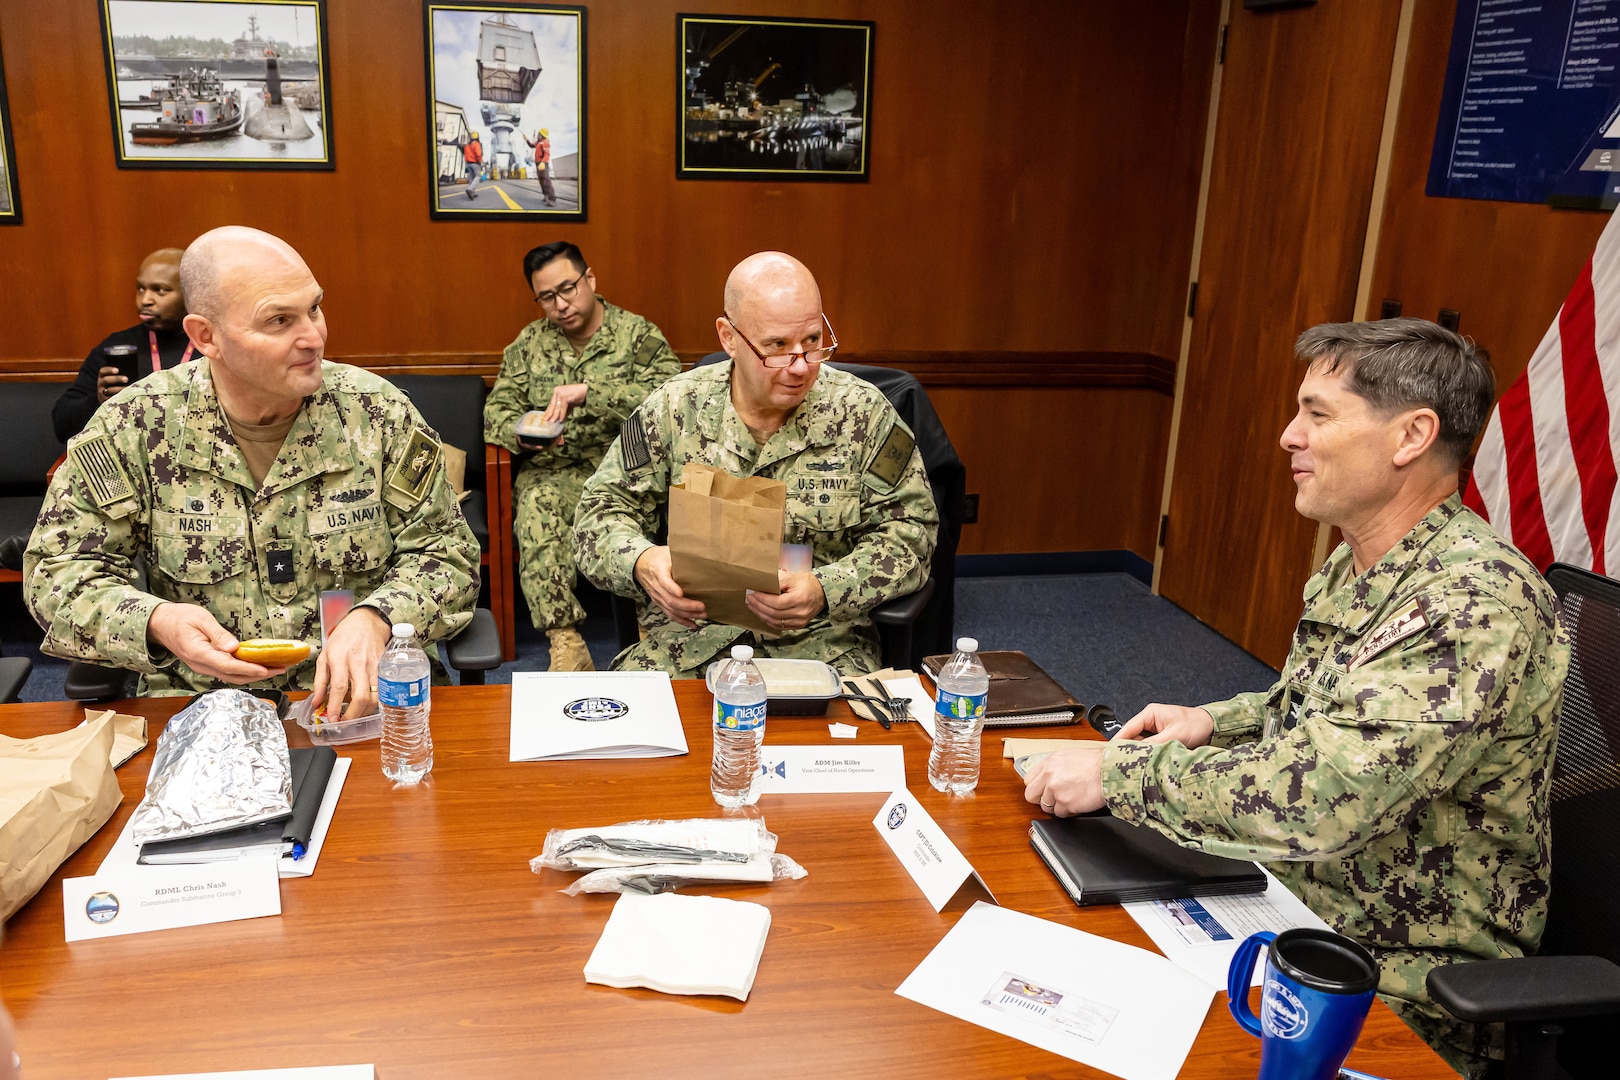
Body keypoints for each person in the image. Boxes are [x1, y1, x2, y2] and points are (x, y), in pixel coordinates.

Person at [1023, 318, 1569, 1078]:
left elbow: (1321, 799)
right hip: (1296, 904)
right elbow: (1317, 714)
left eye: (1318, 414)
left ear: (1411, 436)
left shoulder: (1473, 603)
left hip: (1397, 982)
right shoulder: (1366, 562)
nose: (1289, 435)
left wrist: (1119, 776)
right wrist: (1211, 722)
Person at [25, 226, 480, 720]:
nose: (314, 338)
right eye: (279, 320)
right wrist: (157, 620)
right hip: (201, 707)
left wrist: (378, 618)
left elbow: (448, 555)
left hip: (368, 701)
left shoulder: (376, 413)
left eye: (314, 309)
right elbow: (56, 575)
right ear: (206, 336)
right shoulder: (134, 425)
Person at [574, 251, 939, 678]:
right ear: (729, 337)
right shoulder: (675, 408)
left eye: (813, 341)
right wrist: (642, 562)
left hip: (823, 646)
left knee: (845, 724)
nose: (800, 367)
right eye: (777, 347)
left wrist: (826, 589)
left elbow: (912, 532)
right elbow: (597, 513)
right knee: (627, 719)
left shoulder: (864, 414)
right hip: (687, 642)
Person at [483, 242, 679, 671]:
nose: (560, 305)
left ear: (589, 279)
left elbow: (670, 398)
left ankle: (650, 632)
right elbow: (496, 412)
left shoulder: (637, 335)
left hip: (627, 471)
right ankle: (566, 643)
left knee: (636, 514)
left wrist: (592, 393)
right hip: (556, 470)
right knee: (537, 502)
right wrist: (525, 434)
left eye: (567, 289)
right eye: (546, 297)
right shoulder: (530, 344)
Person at [53, 248, 194, 443]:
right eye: (141, 289)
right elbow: (63, 426)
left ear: (190, 293)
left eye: (159, 290)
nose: (145, 300)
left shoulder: (214, 345)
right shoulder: (117, 346)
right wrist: (99, 400)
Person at [523, 126, 557, 206]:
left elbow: (547, 154)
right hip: (538, 164)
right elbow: (531, 145)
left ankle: (552, 200)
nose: (538, 135)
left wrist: (543, 162)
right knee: (541, 181)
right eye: (538, 134)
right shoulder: (538, 142)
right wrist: (526, 139)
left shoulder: (545, 142)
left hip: (543, 163)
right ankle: (546, 196)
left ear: (543, 135)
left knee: (546, 180)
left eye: (539, 134)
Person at [463, 131, 483, 199]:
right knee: (478, 177)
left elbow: (465, 155)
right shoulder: (476, 144)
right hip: (475, 163)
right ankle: (470, 189)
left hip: (468, 164)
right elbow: (478, 154)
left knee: (472, 178)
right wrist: (479, 162)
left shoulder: (467, 145)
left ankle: (472, 193)